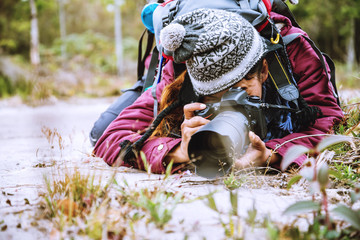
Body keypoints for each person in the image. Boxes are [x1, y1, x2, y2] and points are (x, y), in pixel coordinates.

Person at [93, 8, 343, 175]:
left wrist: (273, 155)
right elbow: (112, 137)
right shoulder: (182, 71)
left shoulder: (293, 52)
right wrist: (178, 150)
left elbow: (329, 122)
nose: (230, 106)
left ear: (263, 71)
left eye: (240, 91)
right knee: (98, 128)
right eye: (214, 96)